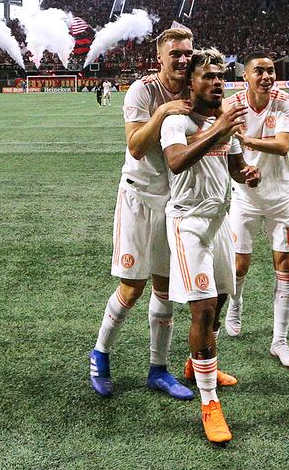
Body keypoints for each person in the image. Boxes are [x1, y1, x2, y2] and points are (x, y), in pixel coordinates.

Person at [87, 25, 197, 402]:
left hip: (175, 201)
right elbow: (135, 146)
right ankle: (100, 354)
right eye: (176, 54)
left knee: (166, 289)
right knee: (133, 287)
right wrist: (165, 111)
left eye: (187, 53)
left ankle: (158, 369)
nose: (183, 60)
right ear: (160, 57)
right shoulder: (143, 90)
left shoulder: (195, 87)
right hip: (138, 197)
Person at [160, 48, 258, 445]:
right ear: (191, 83)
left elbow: (233, 166)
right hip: (187, 224)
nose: (218, 83)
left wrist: (246, 172)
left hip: (219, 222)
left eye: (221, 77)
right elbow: (177, 161)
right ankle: (209, 404)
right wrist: (219, 128)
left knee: (217, 305)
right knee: (201, 309)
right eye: (208, 77)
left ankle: (196, 362)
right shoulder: (176, 120)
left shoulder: (224, 122)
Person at [226, 54, 289, 367]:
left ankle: (280, 342)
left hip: (280, 196)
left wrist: (247, 140)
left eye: (271, 70)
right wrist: (243, 168)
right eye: (260, 71)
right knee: (240, 266)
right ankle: (235, 305)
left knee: (284, 263)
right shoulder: (231, 106)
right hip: (244, 195)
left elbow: (283, 146)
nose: (267, 76)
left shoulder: (284, 101)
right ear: (246, 75)